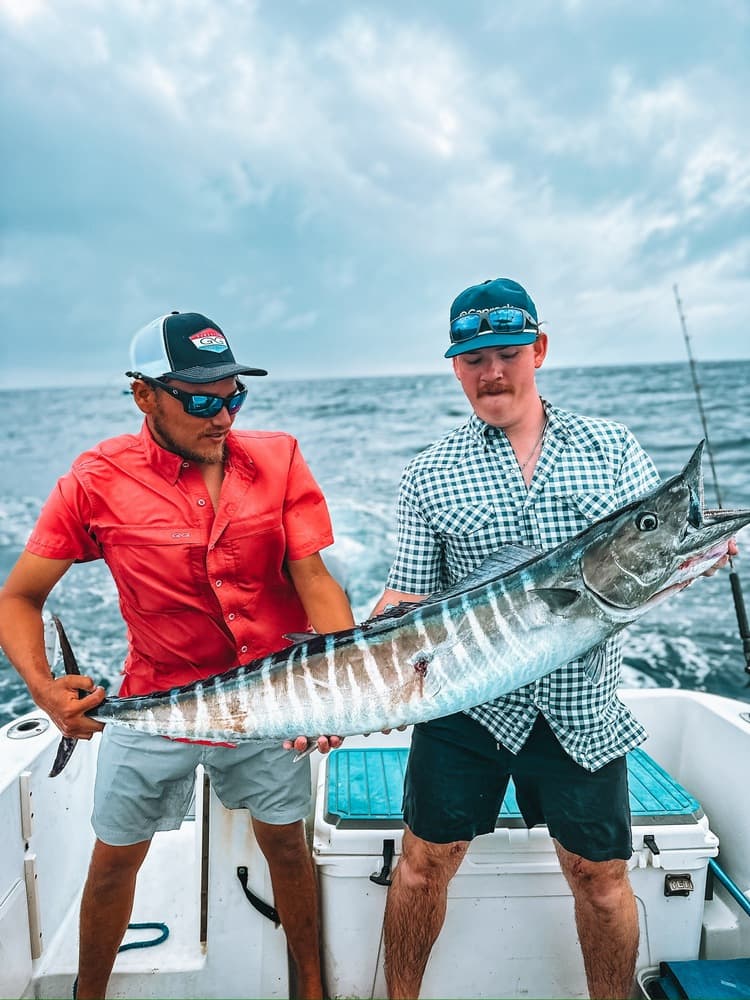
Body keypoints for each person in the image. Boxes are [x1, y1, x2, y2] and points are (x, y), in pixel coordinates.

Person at [371, 278, 736, 1000]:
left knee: (600, 876)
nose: (492, 372)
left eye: (508, 352)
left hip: (581, 704)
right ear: (455, 366)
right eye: (473, 358)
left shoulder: (612, 449)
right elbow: (405, 599)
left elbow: (646, 559)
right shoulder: (429, 473)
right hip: (467, 705)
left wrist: (688, 554)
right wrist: (338, 682)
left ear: (539, 349)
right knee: (421, 865)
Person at [0, 310, 355, 1000]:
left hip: (271, 700)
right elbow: (19, 598)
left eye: (233, 396)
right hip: (158, 699)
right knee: (112, 863)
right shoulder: (95, 479)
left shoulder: (279, 457)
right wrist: (44, 688)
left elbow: (314, 578)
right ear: (143, 394)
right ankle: (88, 994)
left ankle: (310, 988)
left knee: (287, 845)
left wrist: (335, 685)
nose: (221, 416)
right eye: (198, 399)